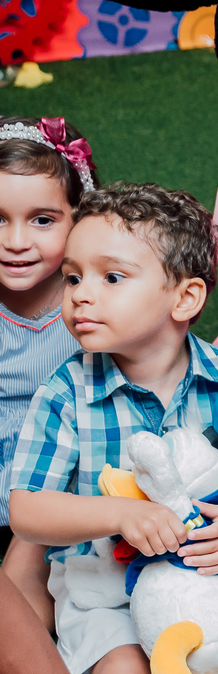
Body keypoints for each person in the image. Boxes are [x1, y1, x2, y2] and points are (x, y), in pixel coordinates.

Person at [7, 182, 218, 674]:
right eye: (73, 278)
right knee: (124, 673)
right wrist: (122, 512)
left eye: (111, 276)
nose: (81, 295)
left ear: (184, 298)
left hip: (209, 582)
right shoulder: (65, 392)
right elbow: (27, 510)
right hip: (104, 587)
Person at [0, 116, 98, 633]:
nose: (16, 242)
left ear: (77, 220)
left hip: (62, 454)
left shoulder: (89, 299)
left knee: (30, 555)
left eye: (42, 219)